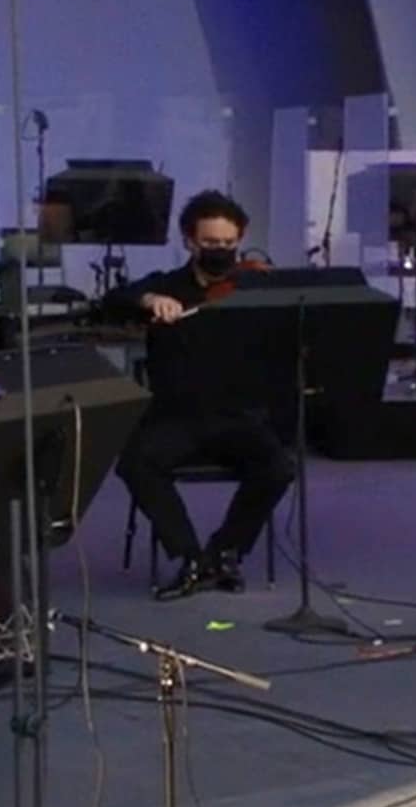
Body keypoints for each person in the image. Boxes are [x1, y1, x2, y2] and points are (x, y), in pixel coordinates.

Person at [106, 190, 297, 601]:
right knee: (136, 465)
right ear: (190, 241)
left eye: (229, 244)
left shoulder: (252, 287)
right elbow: (113, 301)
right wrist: (149, 301)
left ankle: (226, 550)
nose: (222, 252)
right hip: (177, 417)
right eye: (211, 244)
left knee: (279, 466)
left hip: (237, 417)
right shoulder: (166, 286)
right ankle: (190, 557)